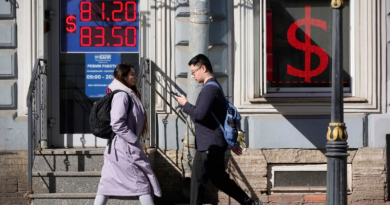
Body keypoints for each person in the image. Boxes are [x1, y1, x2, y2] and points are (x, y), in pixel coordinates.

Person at [174, 54, 261, 205]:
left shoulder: (209, 90)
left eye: (194, 71)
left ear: (203, 68)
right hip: (208, 144)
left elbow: (199, 114)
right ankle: (248, 202)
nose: (193, 75)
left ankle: (248, 202)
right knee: (206, 180)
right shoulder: (213, 87)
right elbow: (202, 118)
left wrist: (185, 104)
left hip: (210, 145)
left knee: (210, 180)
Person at [94, 63, 161, 205]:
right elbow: (117, 123)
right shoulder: (122, 96)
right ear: (123, 77)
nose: (135, 77)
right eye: (132, 74)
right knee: (141, 184)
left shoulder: (127, 94)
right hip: (124, 149)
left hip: (120, 149)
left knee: (106, 186)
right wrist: (134, 140)